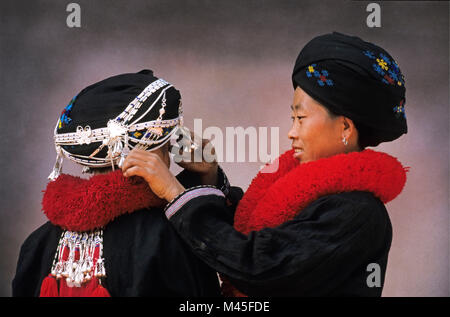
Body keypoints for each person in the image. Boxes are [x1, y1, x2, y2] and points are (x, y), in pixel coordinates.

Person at [121, 32, 410, 296]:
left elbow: (258, 267)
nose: (291, 131)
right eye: (292, 118)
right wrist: (208, 175)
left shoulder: (357, 213)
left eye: (301, 118)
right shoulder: (302, 190)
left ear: (345, 128)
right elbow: (239, 241)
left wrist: (176, 193)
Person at [12, 70, 231, 297]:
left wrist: (207, 180)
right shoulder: (170, 237)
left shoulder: (36, 244)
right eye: (167, 142)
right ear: (149, 150)